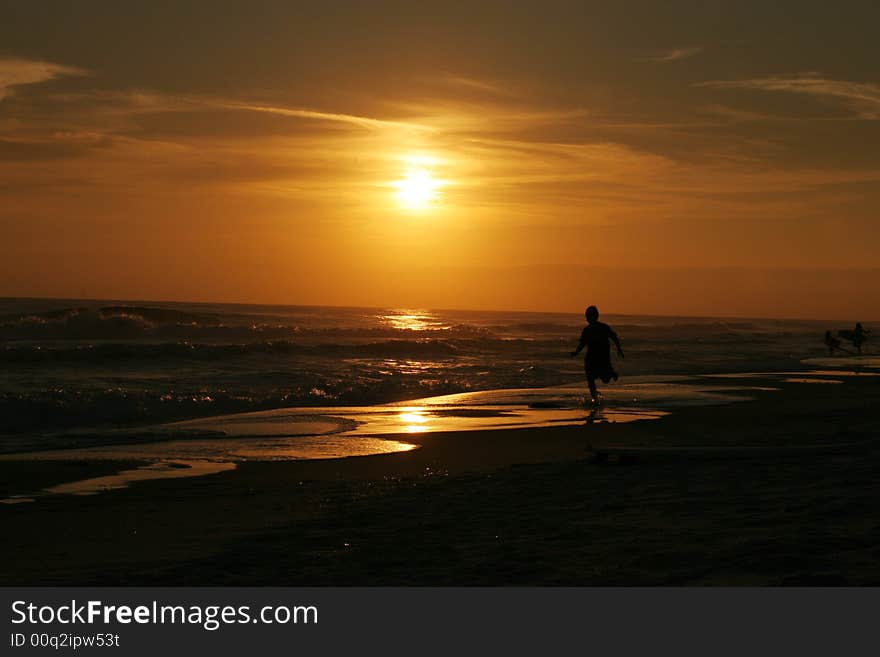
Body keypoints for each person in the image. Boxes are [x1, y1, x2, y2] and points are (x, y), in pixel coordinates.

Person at [570, 305, 624, 404]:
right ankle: (594, 398)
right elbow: (582, 343)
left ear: (596, 316)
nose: (587, 318)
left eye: (589, 316)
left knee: (605, 379)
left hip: (603, 357)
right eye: (587, 316)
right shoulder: (586, 330)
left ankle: (612, 373)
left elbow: (613, 336)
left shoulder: (603, 327)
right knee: (590, 378)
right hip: (590, 358)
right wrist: (576, 352)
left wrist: (619, 348)